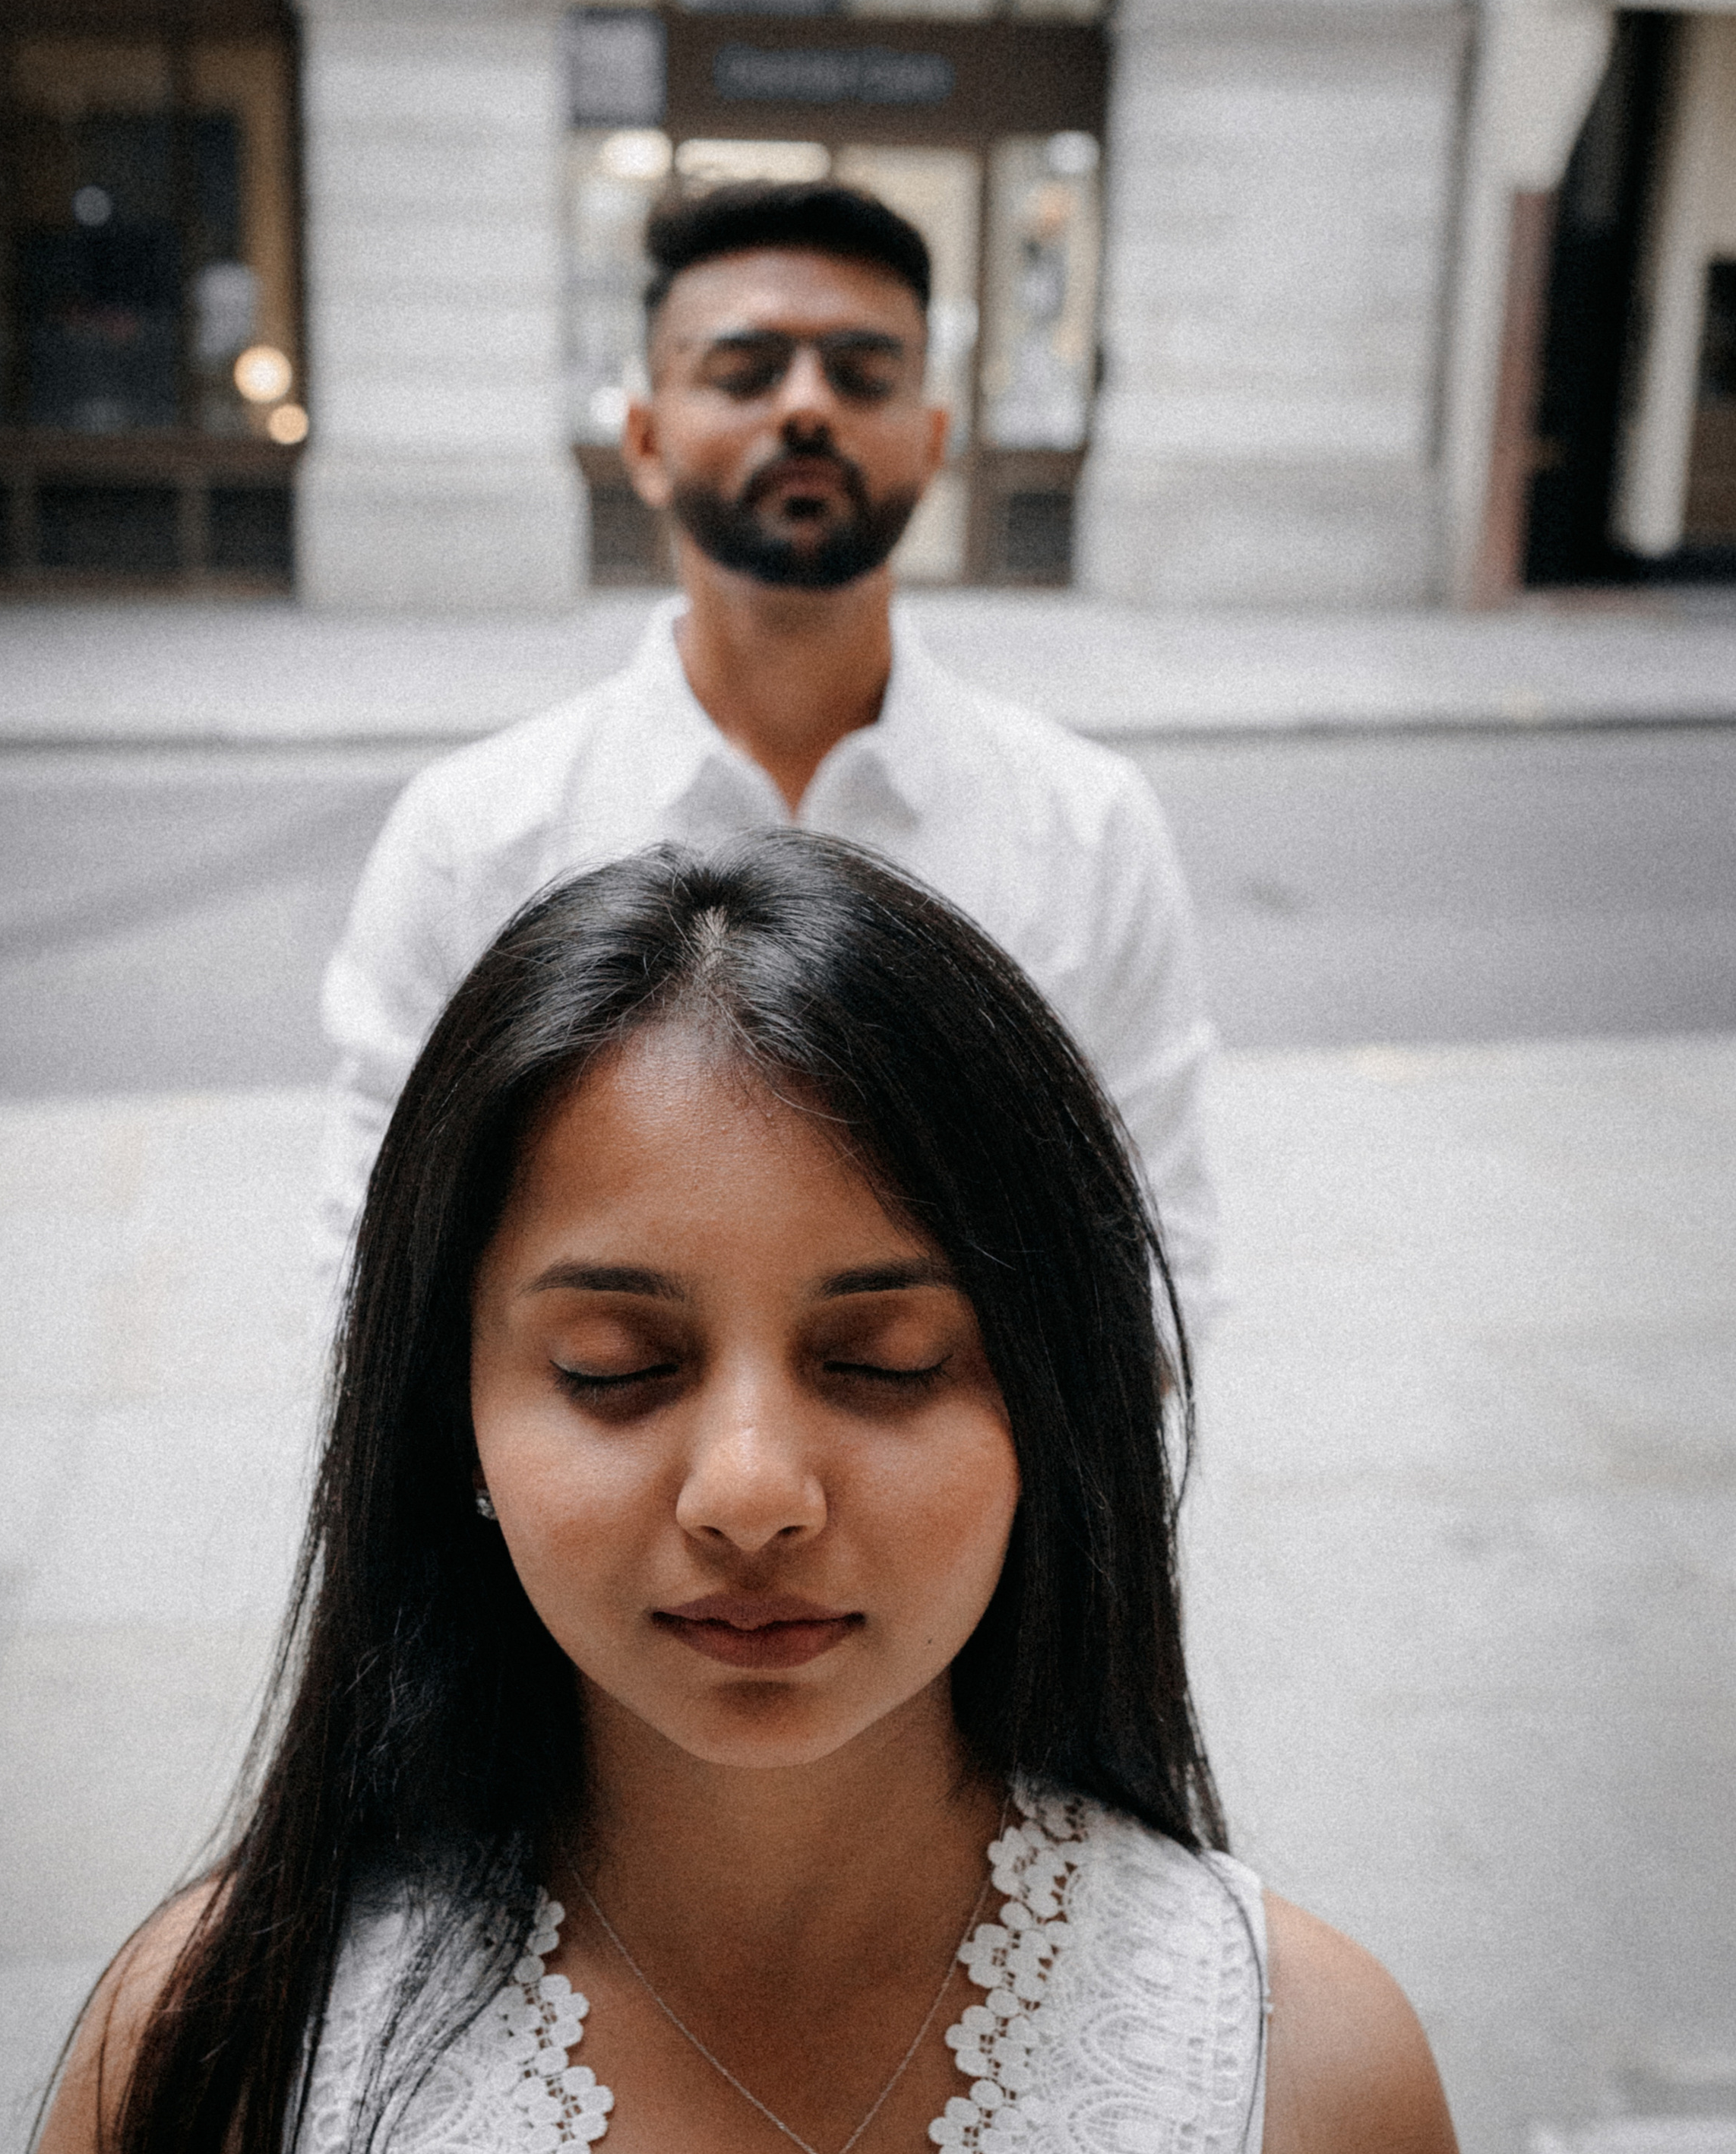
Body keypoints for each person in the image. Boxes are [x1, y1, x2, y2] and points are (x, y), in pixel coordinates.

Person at [0, 833, 1479, 2154]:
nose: (752, 1489)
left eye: (882, 1360)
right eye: (617, 1369)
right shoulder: (223, 2049)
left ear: (1049, 1400)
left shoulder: (1308, 2100)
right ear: (456, 1419)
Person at [319, 179, 1222, 1336]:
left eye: (863, 373)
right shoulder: (473, 837)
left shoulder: (1087, 828)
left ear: (932, 439)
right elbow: (376, 1273)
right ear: (645, 438)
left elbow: (1157, 1256)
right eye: (744, 371)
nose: (806, 406)